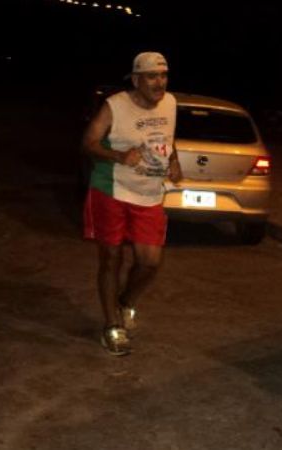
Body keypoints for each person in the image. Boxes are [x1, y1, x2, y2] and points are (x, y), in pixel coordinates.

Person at [81, 51, 182, 356]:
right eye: (152, 76)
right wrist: (119, 155)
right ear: (136, 79)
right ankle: (112, 326)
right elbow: (89, 142)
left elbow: (168, 137)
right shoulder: (115, 106)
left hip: (149, 194)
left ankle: (124, 302)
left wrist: (175, 161)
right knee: (112, 260)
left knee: (150, 262)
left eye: (163, 76)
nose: (159, 83)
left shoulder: (171, 103)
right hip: (112, 190)